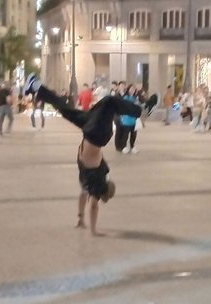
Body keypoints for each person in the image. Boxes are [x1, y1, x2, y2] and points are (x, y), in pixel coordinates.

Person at [25, 73, 141, 232]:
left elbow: (93, 206)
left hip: (96, 134)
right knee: (67, 109)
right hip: (90, 133)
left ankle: (138, 111)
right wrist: (80, 218)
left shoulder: (97, 182)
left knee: (108, 102)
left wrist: (94, 230)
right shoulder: (87, 181)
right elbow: (84, 197)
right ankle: (37, 87)